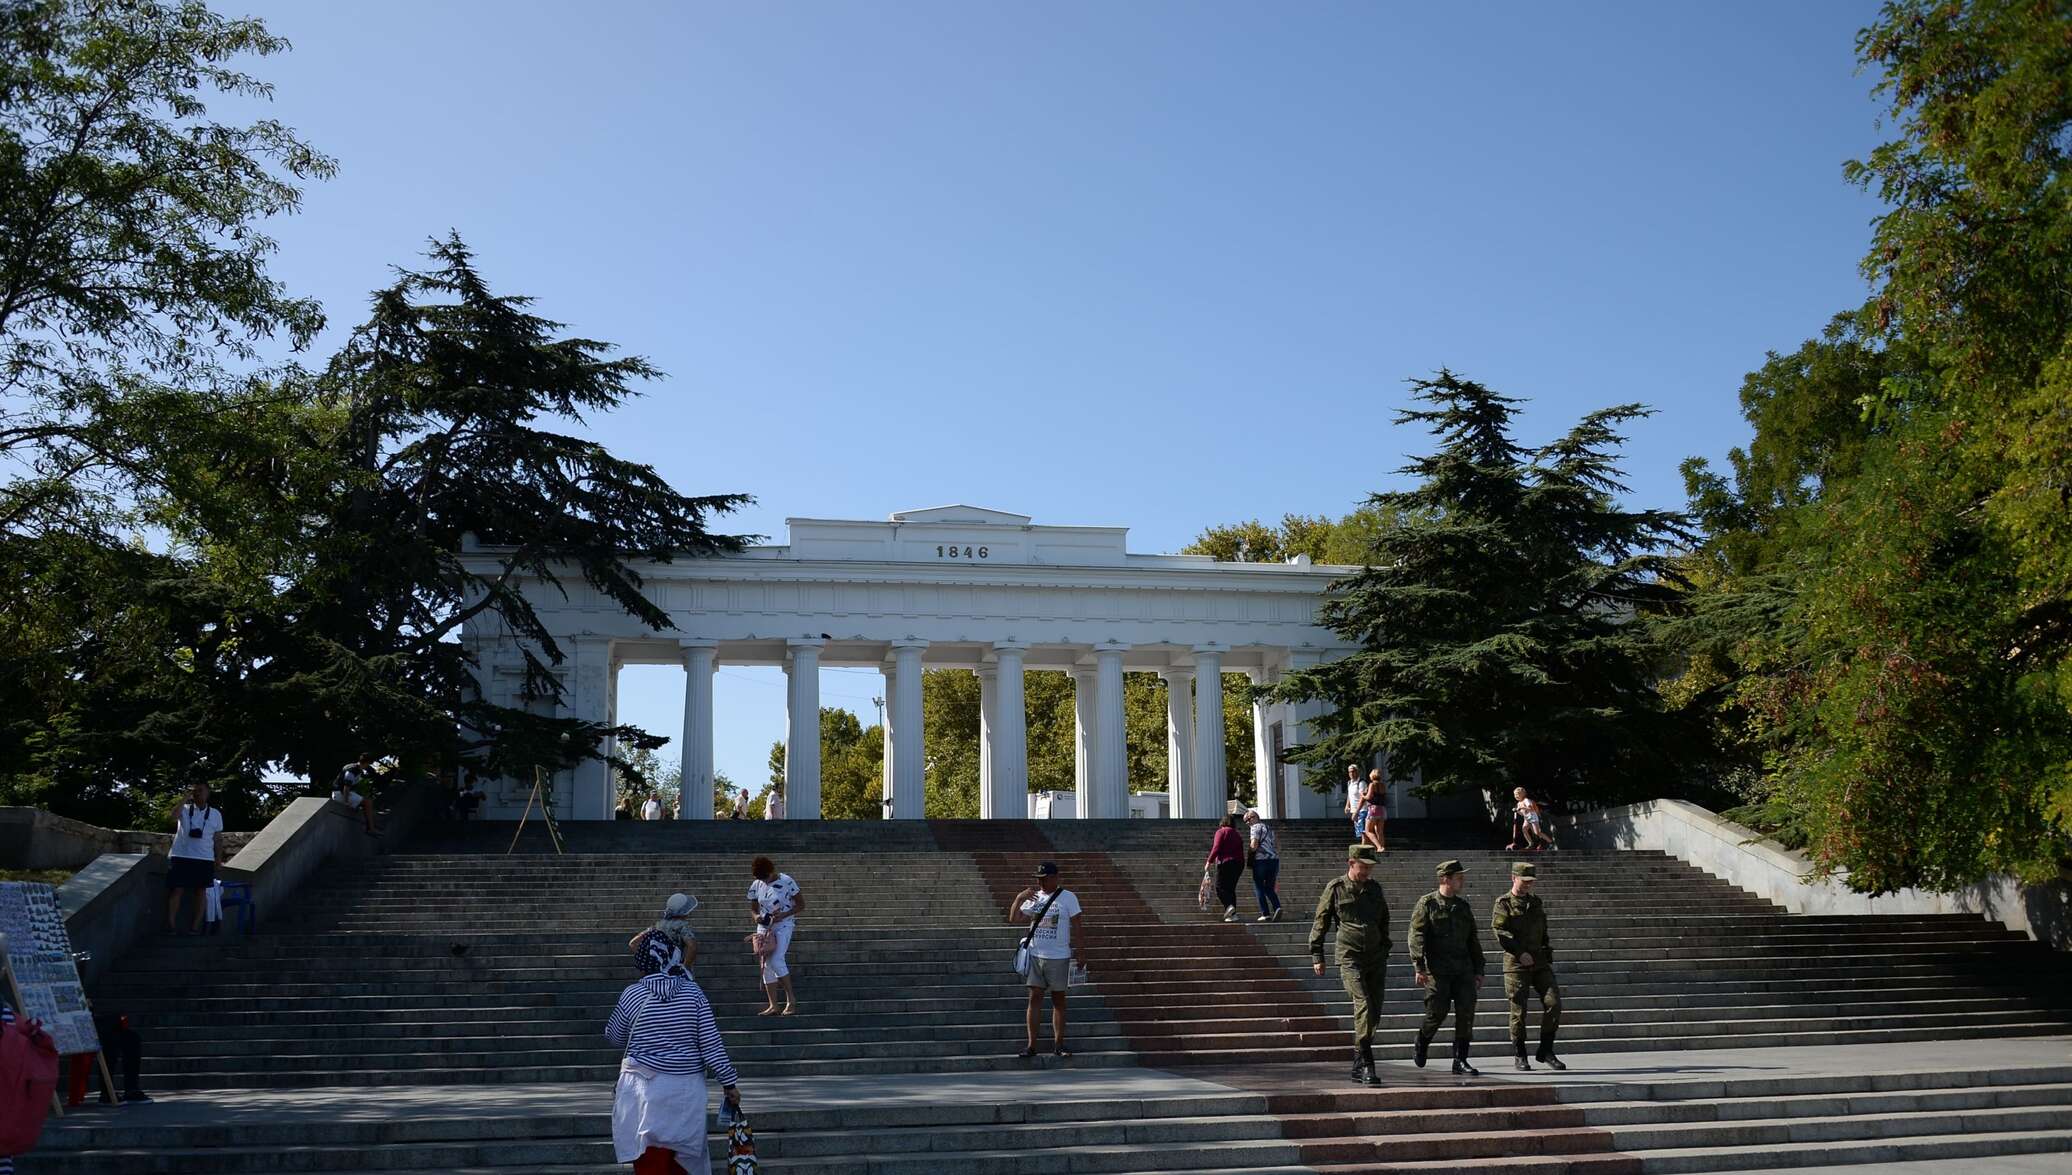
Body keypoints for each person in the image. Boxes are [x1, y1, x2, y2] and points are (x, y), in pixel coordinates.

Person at [605, 928, 739, 1175]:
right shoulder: (693, 993)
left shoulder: (632, 995)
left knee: (649, 1157)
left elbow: (614, 1036)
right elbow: (711, 1044)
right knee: (683, 1159)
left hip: (640, 1091)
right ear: (673, 957)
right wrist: (729, 1083)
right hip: (685, 1090)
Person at [1310, 843, 1391, 1085]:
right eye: (1363, 866)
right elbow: (1321, 921)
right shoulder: (1336, 889)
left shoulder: (1375, 889)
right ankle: (1367, 1062)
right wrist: (1317, 955)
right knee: (1363, 1003)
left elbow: (1384, 919)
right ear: (1351, 863)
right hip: (1349, 956)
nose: (1367, 871)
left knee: (1374, 1011)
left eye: (1370, 867)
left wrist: (1385, 946)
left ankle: (1358, 1059)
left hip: (1375, 957)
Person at [1410, 859, 1486, 1075]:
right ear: (1445, 879)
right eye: (1458, 877)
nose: (1462, 880)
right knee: (1437, 1012)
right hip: (1438, 970)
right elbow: (1416, 936)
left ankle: (1460, 1059)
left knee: (1466, 1014)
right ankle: (1422, 1040)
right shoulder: (1427, 904)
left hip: (1463, 969)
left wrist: (1479, 969)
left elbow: (1473, 940)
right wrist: (1419, 965)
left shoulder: (1462, 907)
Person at [1492, 861, 1565, 1071]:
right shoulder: (1503, 903)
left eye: (1531, 882)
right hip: (1516, 964)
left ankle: (1546, 1050)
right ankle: (1520, 1054)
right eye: (1524, 881)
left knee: (1554, 1003)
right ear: (1513, 878)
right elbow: (1500, 931)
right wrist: (1519, 952)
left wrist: (1545, 950)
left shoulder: (1536, 902)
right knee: (1518, 1010)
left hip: (1540, 962)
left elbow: (1543, 930)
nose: (1527, 886)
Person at [1007, 861, 1081, 1059]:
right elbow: (1014, 919)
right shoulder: (1035, 897)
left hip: (1059, 956)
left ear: (1055, 878)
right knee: (1035, 998)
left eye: (1045, 879)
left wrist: (1081, 951)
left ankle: (1059, 1044)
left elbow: (1078, 925)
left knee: (1059, 1001)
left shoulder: (1068, 898)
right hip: (1036, 954)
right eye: (1039, 879)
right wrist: (1019, 898)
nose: (1041, 883)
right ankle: (1031, 1045)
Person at [165, 782, 224, 935]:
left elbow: (218, 839)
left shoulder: (215, 814)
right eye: (195, 791)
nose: (198, 793)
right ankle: (170, 925)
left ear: (208, 793)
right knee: (177, 889)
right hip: (181, 855)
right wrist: (185, 797)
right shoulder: (184, 810)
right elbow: (172, 818)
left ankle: (195, 927)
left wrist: (218, 858)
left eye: (201, 790)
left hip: (204, 858)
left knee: (201, 891)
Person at [746, 857, 803, 1015]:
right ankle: (773, 1005)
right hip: (764, 926)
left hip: (784, 924)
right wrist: (756, 916)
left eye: (765, 877)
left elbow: (801, 904)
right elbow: (753, 908)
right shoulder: (757, 884)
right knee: (765, 964)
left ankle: (791, 999)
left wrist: (785, 914)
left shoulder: (787, 881)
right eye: (759, 878)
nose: (763, 880)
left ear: (771, 871)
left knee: (777, 959)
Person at [628, 893, 700, 968]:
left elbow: (633, 943)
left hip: (658, 971)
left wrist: (649, 961)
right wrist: (686, 967)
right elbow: (692, 946)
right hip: (676, 971)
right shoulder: (682, 926)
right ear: (684, 911)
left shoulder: (657, 925)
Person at [92, 1013, 151, 1103]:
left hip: (114, 1019)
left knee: (132, 1038)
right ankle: (106, 1092)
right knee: (109, 1042)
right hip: (95, 1022)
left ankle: (131, 1089)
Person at [1243, 808, 1282, 921]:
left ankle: (1265, 913)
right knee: (1269, 887)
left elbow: (1254, 845)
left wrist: (1250, 852)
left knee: (1259, 887)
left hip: (1260, 861)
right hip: (1274, 861)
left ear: (1255, 817)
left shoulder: (1255, 828)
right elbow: (1278, 845)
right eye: (1245, 821)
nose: (1247, 823)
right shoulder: (1269, 828)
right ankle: (1277, 907)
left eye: (1248, 819)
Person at [1205, 814, 1246, 922]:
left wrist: (1209, 861)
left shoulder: (1221, 831)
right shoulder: (1237, 834)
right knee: (1230, 889)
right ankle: (1233, 915)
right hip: (1239, 864)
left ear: (1222, 822)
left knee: (1219, 887)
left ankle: (1229, 906)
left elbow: (1216, 847)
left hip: (1225, 862)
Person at [329, 760, 378, 835]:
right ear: (366, 763)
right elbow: (346, 787)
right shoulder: (353, 770)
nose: (369, 766)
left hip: (340, 793)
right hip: (340, 794)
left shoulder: (352, 766)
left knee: (365, 801)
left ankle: (368, 826)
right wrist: (346, 802)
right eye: (369, 764)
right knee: (368, 802)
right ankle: (371, 829)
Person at [1361, 769, 1387, 854]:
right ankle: (1382, 847)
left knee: (1368, 830)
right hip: (1382, 809)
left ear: (1372, 776)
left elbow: (1368, 797)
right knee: (1380, 831)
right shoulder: (1383, 785)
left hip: (1373, 809)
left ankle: (1379, 847)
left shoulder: (1372, 784)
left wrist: (1362, 795)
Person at [1343, 764, 1364, 833]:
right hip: (1354, 810)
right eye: (1349, 772)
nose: (1351, 773)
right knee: (1358, 832)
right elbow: (1349, 795)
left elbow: (1363, 798)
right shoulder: (1349, 782)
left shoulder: (1361, 782)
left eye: (1353, 771)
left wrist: (1357, 812)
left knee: (1362, 832)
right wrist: (1347, 805)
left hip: (1362, 810)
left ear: (1357, 772)